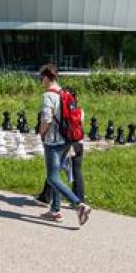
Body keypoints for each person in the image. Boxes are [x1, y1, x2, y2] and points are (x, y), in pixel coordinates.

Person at [36, 64, 92, 226]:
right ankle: (55, 210)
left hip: (53, 141)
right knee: (57, 175)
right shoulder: (65, 93)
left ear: (46, 78)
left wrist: (42, 133)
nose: (41, 81)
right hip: (67, 139)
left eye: (41, 78)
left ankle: (78, 205)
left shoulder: (48, 96)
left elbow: (46, 118)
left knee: (52, 177)